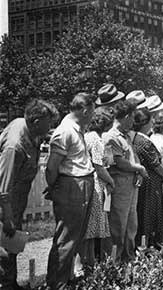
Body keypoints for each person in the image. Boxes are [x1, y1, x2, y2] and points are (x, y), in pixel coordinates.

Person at [0, 99, 58, 290]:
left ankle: (10, 282)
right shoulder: (14, 146)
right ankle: (7, 285)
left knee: (11, 246)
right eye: (48, 122)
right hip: (6, 202)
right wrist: (7, 217)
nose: (51, 126)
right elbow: (3, 188)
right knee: (6, 246)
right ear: (36, 121)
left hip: (17, 197)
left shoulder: (28, 129)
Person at [46, 93, 96, 290]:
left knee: (76, 236)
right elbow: (51, 167)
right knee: (66, 238)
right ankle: (56, 283)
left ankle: (66, 279)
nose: (93, 116)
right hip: (72, 186)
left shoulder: (77, 130)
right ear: (85, 111)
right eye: (92, 112)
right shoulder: (65, 131)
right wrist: (55, 187)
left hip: (81, 183)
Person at [103, 100, 147, 262]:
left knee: (131, 224)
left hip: (131, 185)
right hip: (120, 184)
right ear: (126, 116)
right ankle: (115, 260)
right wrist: (139, 169)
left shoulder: (125, 136)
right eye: (132, 118)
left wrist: (137, 172)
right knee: (118, 224)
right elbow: (118, 161)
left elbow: (131, 158)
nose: (133, 122)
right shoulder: (111, 137)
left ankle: (128, 256)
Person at [80, 107, 115, 267]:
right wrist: (111, 181)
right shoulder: (96, 140)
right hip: (95, 183)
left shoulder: (88, 136)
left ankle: (88, 260)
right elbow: (99, 167)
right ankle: (89, 262)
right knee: (92, 224)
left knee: (89, 224)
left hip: (88, 180)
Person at [130, 108, 163, 246]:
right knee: (149, 214)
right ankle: (148, 243)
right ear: (145, 123)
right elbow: (155, 164)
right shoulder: (144, 142)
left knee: (142, 213)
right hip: (150, 183)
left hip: (143, 182)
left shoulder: (133, 138)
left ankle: (143, 242)